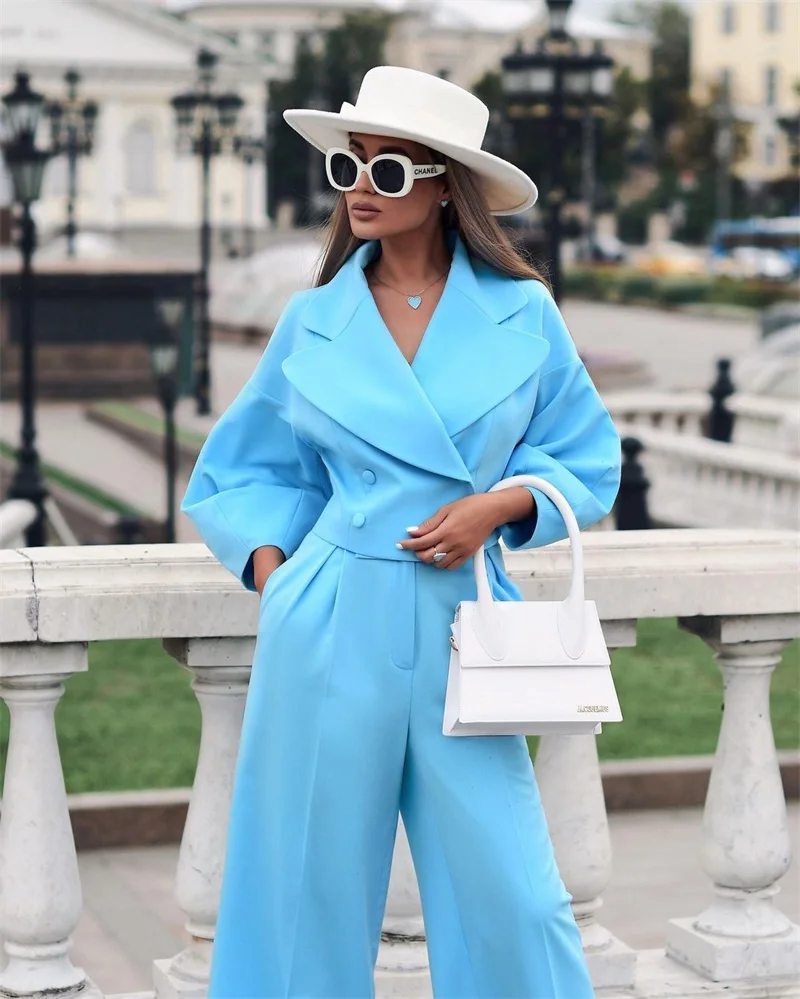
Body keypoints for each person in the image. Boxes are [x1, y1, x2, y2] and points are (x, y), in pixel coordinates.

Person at [182, 65, 620, 999]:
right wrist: (279, 574)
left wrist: (497, 508)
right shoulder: (315, 320)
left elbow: (588, 460)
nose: (359, 190)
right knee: (301, 883)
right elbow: (244, 469)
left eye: (388, 172)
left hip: (467, 623)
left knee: (514, 895)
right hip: (330, 622)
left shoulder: (523, 312)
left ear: (443, 185)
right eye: (351, 167)